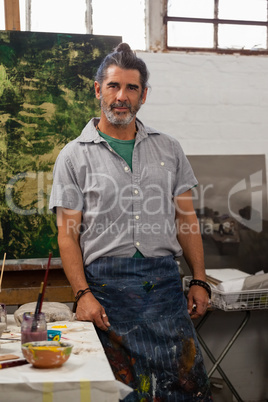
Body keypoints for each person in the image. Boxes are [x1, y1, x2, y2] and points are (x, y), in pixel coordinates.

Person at [49, 43, 212, 401]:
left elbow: (186, 218)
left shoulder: (169, 148)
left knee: (184, 391)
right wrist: (83, 294)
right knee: (119, 393)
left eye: (131, 88)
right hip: (106, 296)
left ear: (143, 95)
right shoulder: (73, 156)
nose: (121, 96)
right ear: (98, 90)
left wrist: (199, 279)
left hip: (166, 291)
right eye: (113, 86)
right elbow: (67, 235)